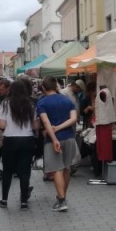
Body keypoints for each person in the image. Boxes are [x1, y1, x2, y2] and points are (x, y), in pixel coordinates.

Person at [37, 75, 78, 212]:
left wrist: (54, 138)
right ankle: (63, 196)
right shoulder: (67, 101)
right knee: (66, 168)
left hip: (53, 139)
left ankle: (61, 200)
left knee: (57, 169)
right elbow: (74, 119)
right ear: (55, 86)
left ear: (43, 87)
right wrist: (61, 127)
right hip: (70, 137)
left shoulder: (42, 103)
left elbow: (46, 122)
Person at [0, 78, 38, 210]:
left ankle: (4, 199)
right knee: (24, 172)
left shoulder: (5, 104)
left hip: (10, 139)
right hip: (27, 139)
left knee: (7, 171)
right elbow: (35, 124)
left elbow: (2, 124)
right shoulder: (30, 104)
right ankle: (24, 201)